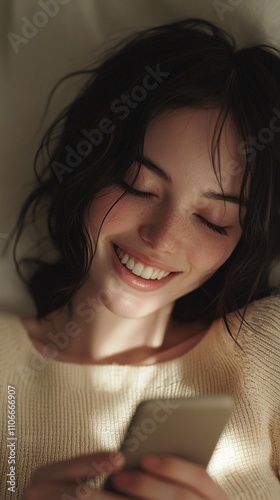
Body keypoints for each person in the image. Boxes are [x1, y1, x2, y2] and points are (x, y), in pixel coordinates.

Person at [1, 17, 280, 500]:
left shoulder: (268, 350)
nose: (161, 238)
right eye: (137, 185)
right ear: (87, 164)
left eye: (214, 219)